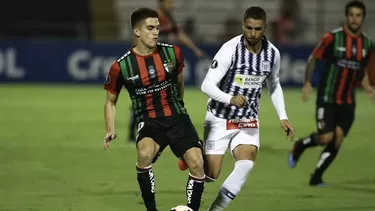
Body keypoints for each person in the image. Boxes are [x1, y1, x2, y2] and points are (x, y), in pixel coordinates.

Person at [103, 8, 205, 211]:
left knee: (197, 163)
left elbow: (179, 82)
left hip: (176, 117)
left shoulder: (172, 53)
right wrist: (110, 128)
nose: (156, 32)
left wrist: (180, 107)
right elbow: (110, 102)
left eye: (157, 28)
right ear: (137, 31)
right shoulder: (121, 66)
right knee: (144, 153)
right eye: (150, 28)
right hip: (150, 121)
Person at [199, 6, 294, 210]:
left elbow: (274, 84)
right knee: (211, 175)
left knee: (246, 163)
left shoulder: (272, 54)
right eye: (249, 28)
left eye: (257, 29)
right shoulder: (229, 49)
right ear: (243, 26)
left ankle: (215, 209)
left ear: (265, 28)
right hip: (220, 118)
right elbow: (206, 85)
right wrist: (230, 98)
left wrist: (283, 116)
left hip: (248, 120)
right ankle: (195, 152)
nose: (252, 33)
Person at [288, 0, 375, 186]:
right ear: (346, 16)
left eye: (358, 15)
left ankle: (316, 177)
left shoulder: (367, 43)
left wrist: (368, 87)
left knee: (337, 139)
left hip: (348, 101)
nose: (354, 19)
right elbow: (313, 59)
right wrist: (307, 82)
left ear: (363, 18)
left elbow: (362, 70)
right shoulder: (332, 38)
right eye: (351, 15)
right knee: (326, 137)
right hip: (327, 97)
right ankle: (300, 145)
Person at [127, 0, 207, 142]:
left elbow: (179, 34)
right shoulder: (151, 20)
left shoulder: (169, 19)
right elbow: (136, 39)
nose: (172, 5)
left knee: (168, 95)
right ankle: (133, 132)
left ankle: (169, 129)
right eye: (169, 2)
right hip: (148, 63)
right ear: (161, 3)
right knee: (146, 97)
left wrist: (194, 49)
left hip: (163, 63)